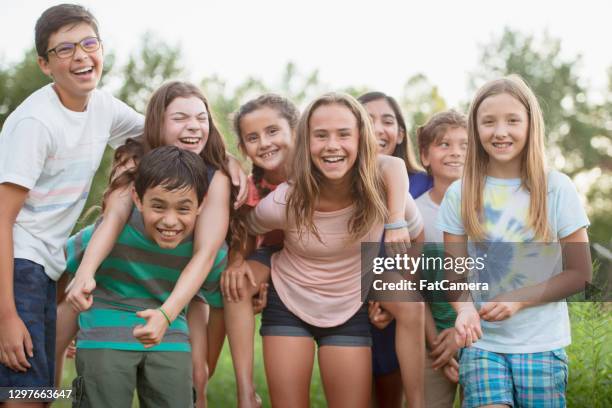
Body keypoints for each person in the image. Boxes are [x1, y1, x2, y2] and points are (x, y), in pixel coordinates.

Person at [57, 81, 248, 407]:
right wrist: (86, 272)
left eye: (201, 118)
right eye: (181, 118)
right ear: (158, 123)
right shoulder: (133, 161)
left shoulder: (215, 178)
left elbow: (205, 255)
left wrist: (166, 314)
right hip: (113, 291)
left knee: (195, 382)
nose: (193, 126)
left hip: (175, 294)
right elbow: (113, 219)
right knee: (50, 361)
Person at [0, 5, 143, 404]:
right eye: (64, 50)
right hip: (17, 265)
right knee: (24, 394)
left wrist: (228, 165)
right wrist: (6, 317)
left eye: (88, 43)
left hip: (48, 265)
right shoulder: (36, 124)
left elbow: (160, 134)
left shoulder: (103, 107)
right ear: (45, 65)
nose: (80, 55)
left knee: (41, 392)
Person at [245, 93, 424, 407]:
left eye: (344, 134)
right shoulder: (286, 200)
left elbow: (417, 234)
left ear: (360, 139)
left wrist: (400, 282)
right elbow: (247, 227)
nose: (332, 145)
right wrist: (243, 263)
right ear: (306, 142)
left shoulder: (384, 192)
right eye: (321, 135)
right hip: (289, 300)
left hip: (348, 306)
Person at [437, 75, 591, 408]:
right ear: (476, 129)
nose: (500, 131)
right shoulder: (459, 193)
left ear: (530, 125)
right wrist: (463, 309)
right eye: (488, 122)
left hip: (542, 345)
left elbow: (580, 273)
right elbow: (454, 275)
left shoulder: (556, 188)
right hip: (483, 347)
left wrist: (518, 300)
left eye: (512, 121)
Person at [67, 146, 226, 407]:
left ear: (202, 204)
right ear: (138, 199)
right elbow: (63, 266)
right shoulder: (111, 232)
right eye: (158, 206)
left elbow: (219, 304)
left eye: (183, 209)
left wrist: (204, 366)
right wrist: (69, 326)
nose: (170, 221)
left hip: (173, 339)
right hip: (104, 334)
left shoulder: (208, 249)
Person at [358, 91, 431, 407]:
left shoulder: (424, 183)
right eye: (367, 120)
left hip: (407, 299)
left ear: (401, 133)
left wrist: (395, 297)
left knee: (390, 397)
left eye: (387, 121)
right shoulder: (344, 180)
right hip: (355, 300)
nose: (377, 129)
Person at [415, 110, 468, 407]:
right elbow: (410, 287)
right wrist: (438, 344)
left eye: (465, 145)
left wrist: (460, 336)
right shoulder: (414, 214)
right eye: (444, 144)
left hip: (482, 333)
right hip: (430, 340)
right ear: (425, 155)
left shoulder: (492, 211)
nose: (456, 152)